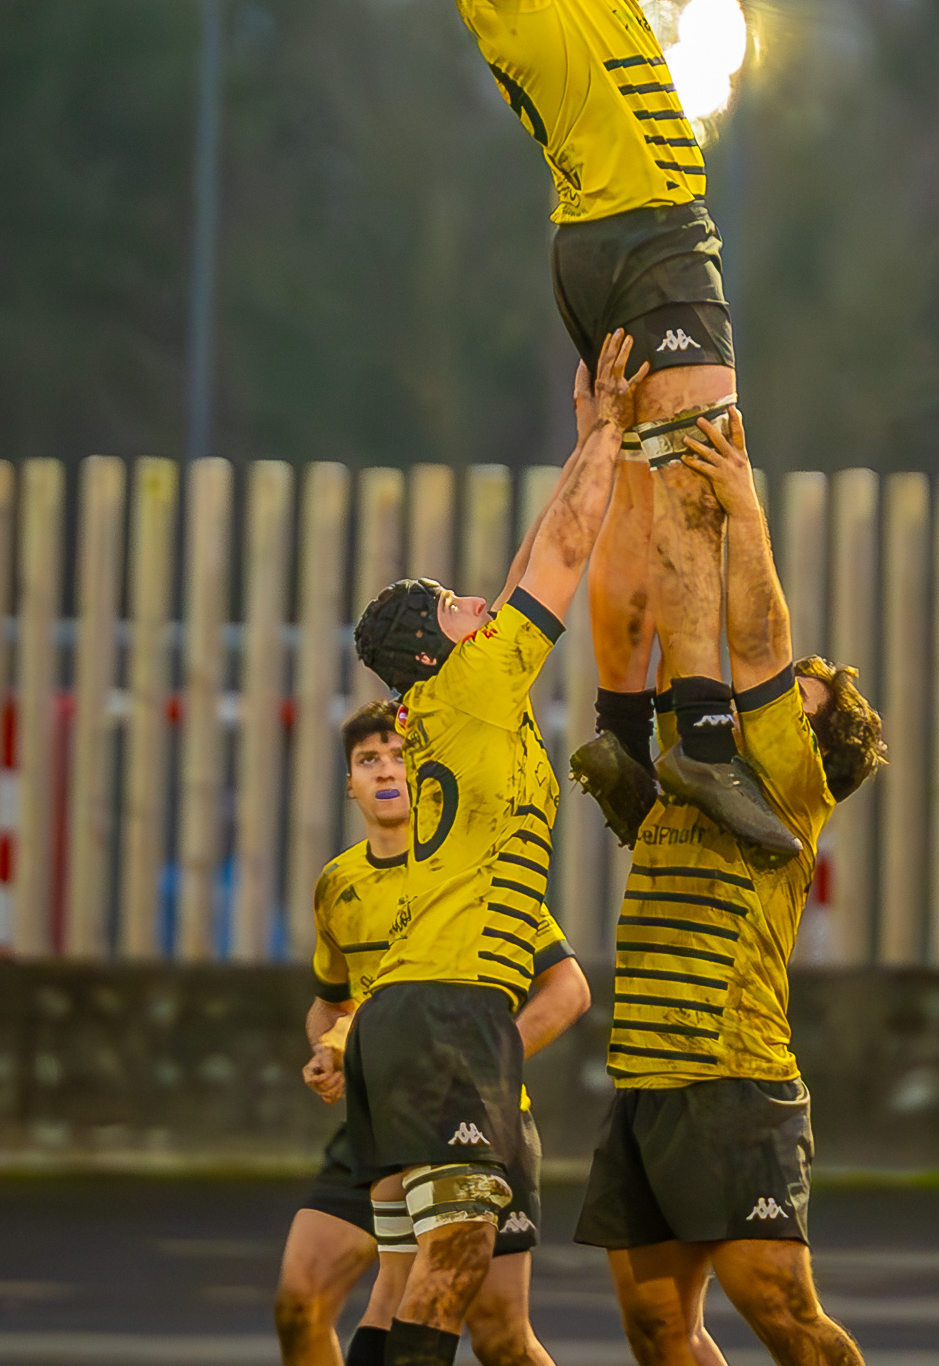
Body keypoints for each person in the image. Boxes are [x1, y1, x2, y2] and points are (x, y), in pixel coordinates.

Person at [388, 0, 791, 854]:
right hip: (646, 233)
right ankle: (701, 737)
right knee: (700, 487)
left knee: (628, 497)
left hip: (606, 241)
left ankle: (621, 726)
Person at [345, 329, 643, 1366]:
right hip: (447, 1006)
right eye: (458, 607)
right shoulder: (471, 685)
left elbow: (527, 559)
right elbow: (557, 559)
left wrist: (580, 443)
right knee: (458, 1261)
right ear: (438, 647)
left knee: (420, 1277)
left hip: (414, 1010)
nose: (483, 602)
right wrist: (610, 432)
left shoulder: (456, 694)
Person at [573, 408, 886, 1366]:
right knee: (659, 1329)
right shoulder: (694, 768)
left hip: (733, 1084)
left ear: (817, 745)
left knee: (784, 1316)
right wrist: (622, 455)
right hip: (646, 1083)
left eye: (801, 697)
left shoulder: (790, 786)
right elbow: (646, 614)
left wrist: (744, 513)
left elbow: (753, 638)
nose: (777, 691)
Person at [275, 700, 590, 1366]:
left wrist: (482, 1064)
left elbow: (568, 989)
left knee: (499, 1331)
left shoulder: (474, 873)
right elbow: (329, 1002)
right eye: (368, 760)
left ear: (425, 774)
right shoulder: (337, 883)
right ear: (349, 783)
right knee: (300, 1302)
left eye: (398, 755)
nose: (386, 770)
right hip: (377, 1118)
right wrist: (326, 1053)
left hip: (471, 1112)